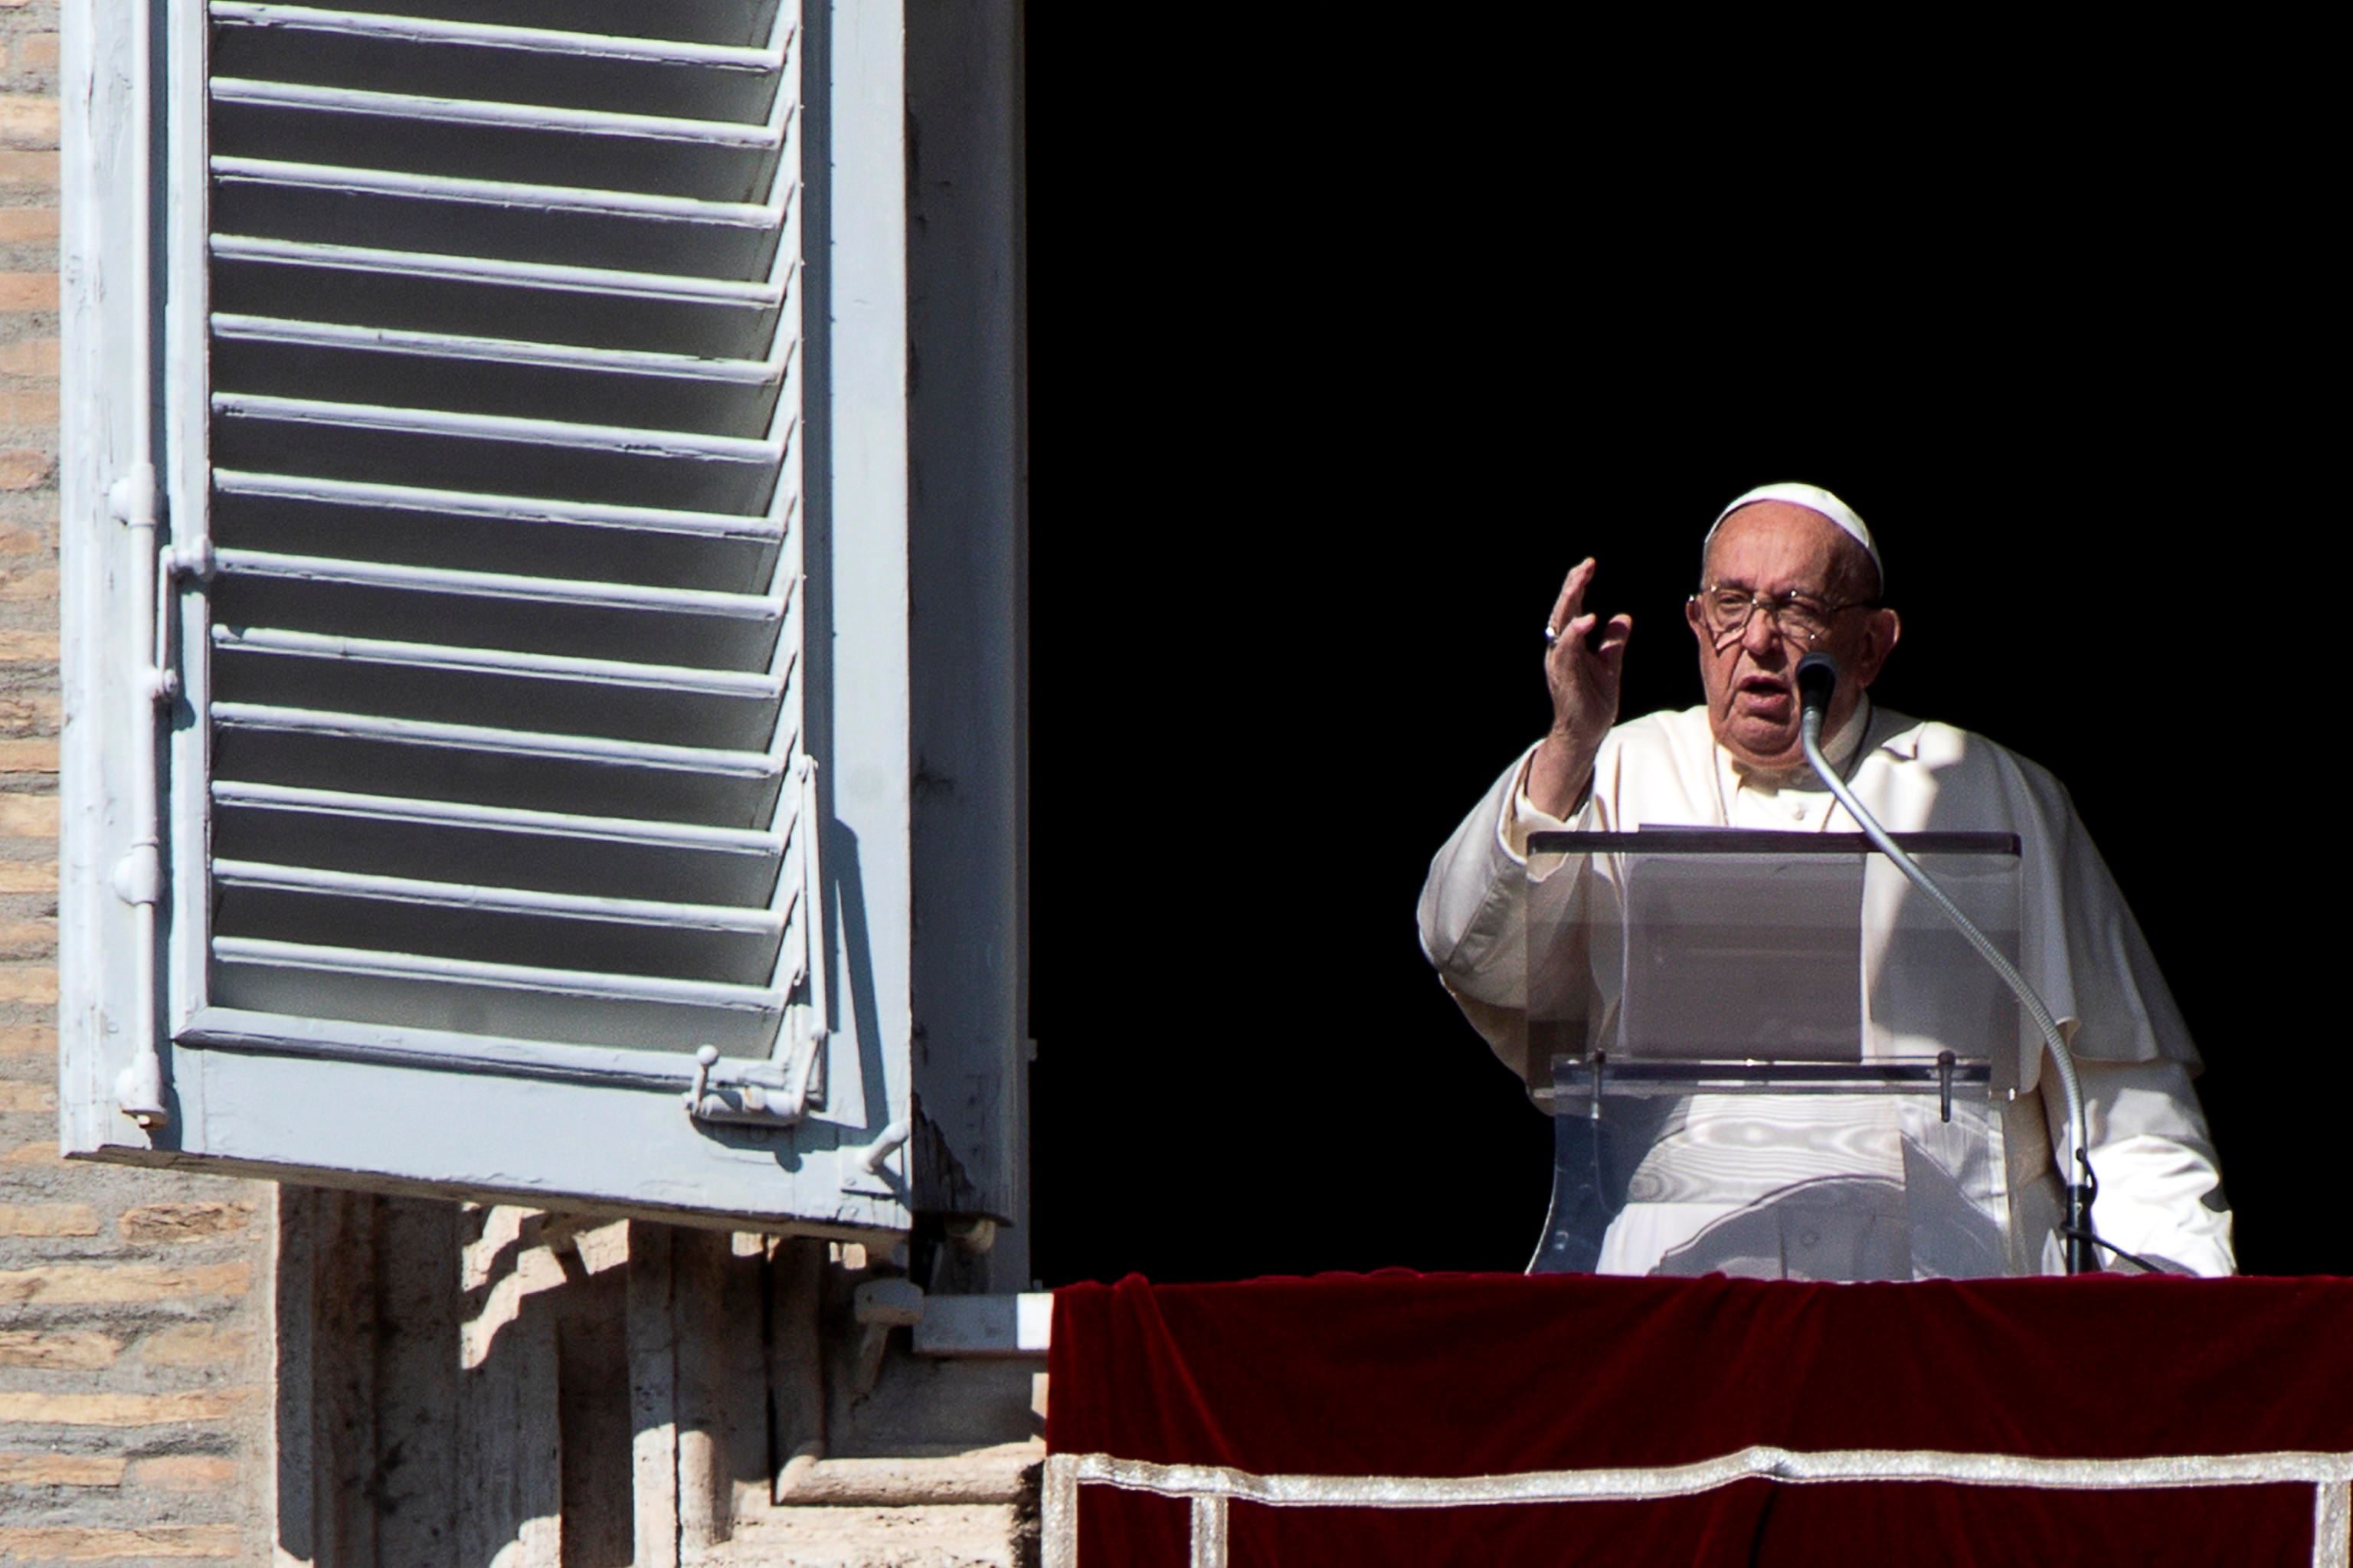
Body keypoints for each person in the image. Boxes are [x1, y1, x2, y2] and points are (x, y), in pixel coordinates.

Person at [1417, 483, 2234, 1278]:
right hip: (1688, 1296)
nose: (1761, 639)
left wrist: (2180, 1314)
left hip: (1949, 1303)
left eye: (1798, 606)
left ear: (1873, 643)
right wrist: (1566, 744)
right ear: (1696, 625)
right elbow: (1469, 948)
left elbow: (2122, 1095)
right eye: (1731, 605)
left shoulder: (1990, 790)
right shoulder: (1618, 768)